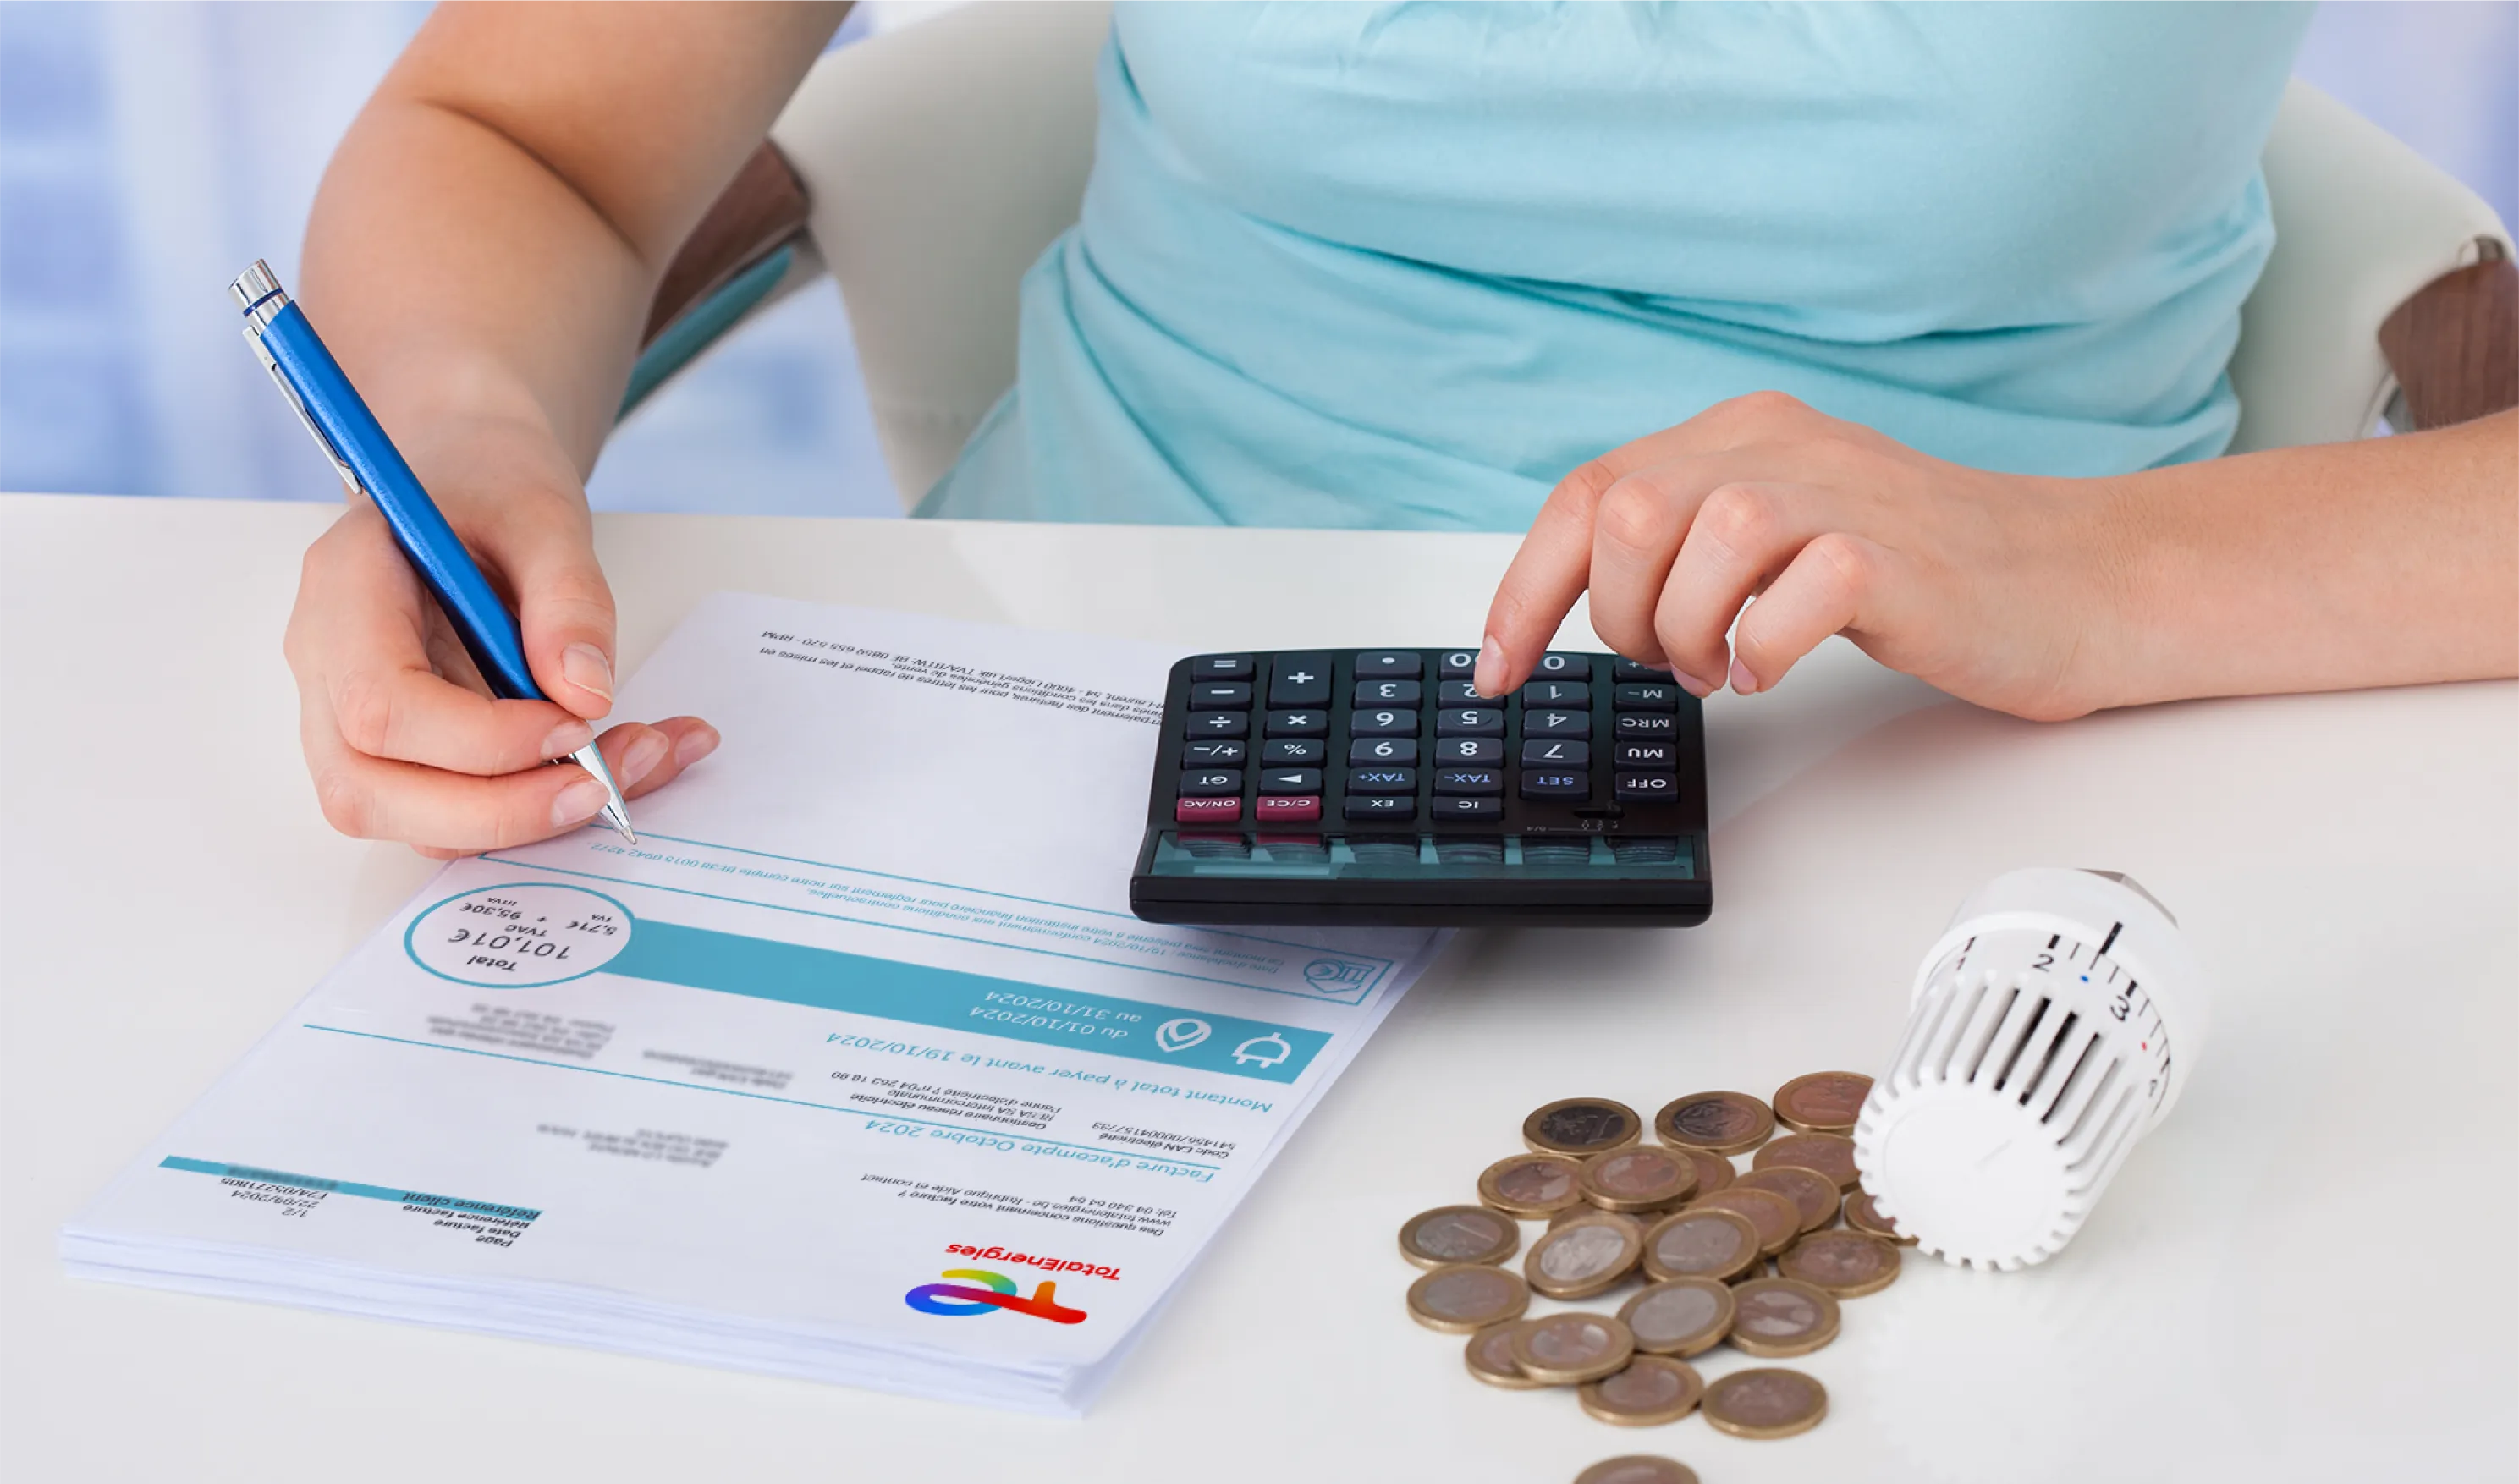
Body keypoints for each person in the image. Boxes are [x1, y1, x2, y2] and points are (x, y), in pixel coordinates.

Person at [285, 0, 2519, 856]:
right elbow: (527, 132)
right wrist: (463, 424)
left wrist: (2088, 571)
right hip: (1071, 770)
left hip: (1987, 832)